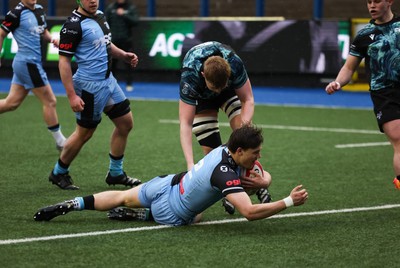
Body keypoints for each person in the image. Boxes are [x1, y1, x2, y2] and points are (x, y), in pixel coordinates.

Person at [34, 124, 309, 226]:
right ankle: (144, 216)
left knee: (120, 196)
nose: (258, 157)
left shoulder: (225, 150)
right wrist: (287, 202)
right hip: (173, 211)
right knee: (196, 215)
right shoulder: (225, 174)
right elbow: (248, 213)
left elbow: (260, 171)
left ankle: (74, 204)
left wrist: (265, 180)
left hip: (170, 182)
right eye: (255, 152)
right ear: (239, 150)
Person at [48, 0, 141, 190]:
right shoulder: (73, 25)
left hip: (109, 81)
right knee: (85, 132)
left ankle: (115, 173)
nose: (93, 0)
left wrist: (123, 55)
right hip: (89, 86)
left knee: (125, 123)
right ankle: (58, 172)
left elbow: (106, 43)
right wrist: (72, 96)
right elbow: (63, 62)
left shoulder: (99, 15)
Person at [179, 41, 270, 214]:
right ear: (203, 74)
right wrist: (190, 163)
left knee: (242, 136)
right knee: (212, 152)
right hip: (202, 96)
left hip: (228, 90)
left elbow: (248, 99)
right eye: (215, 88)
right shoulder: (190, 76)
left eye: (221, 87)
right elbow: (185, 123)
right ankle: (227, 191)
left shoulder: (234, 63)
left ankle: (257, 179)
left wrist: (243, 128)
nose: (217, 92)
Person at [325, 0, 400, 189]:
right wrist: (338, 82)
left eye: (377, 1)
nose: (372, 5)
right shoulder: (364, 35)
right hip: (384, 94)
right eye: (369, 1)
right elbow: (348, 68)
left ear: (389, 1)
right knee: (399, 138)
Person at [0, 0, 66, 151]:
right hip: (28, 63)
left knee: (11, 103)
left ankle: (61, 142)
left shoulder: (39, 10)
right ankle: (61, 142)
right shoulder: (15, 13)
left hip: (29, 64)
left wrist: (52, 39)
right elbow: (1, 33)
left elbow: (43, 31)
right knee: (50, 101)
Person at [105, 0, 139, 92]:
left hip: (126, 40)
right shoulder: (110, 8)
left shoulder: (130, 7)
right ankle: (111, 84)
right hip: (113, 41)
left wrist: (124, 14)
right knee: (112, 64)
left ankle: (129, 83)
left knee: (128, 63)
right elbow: (105, 23)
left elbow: (136, 21)